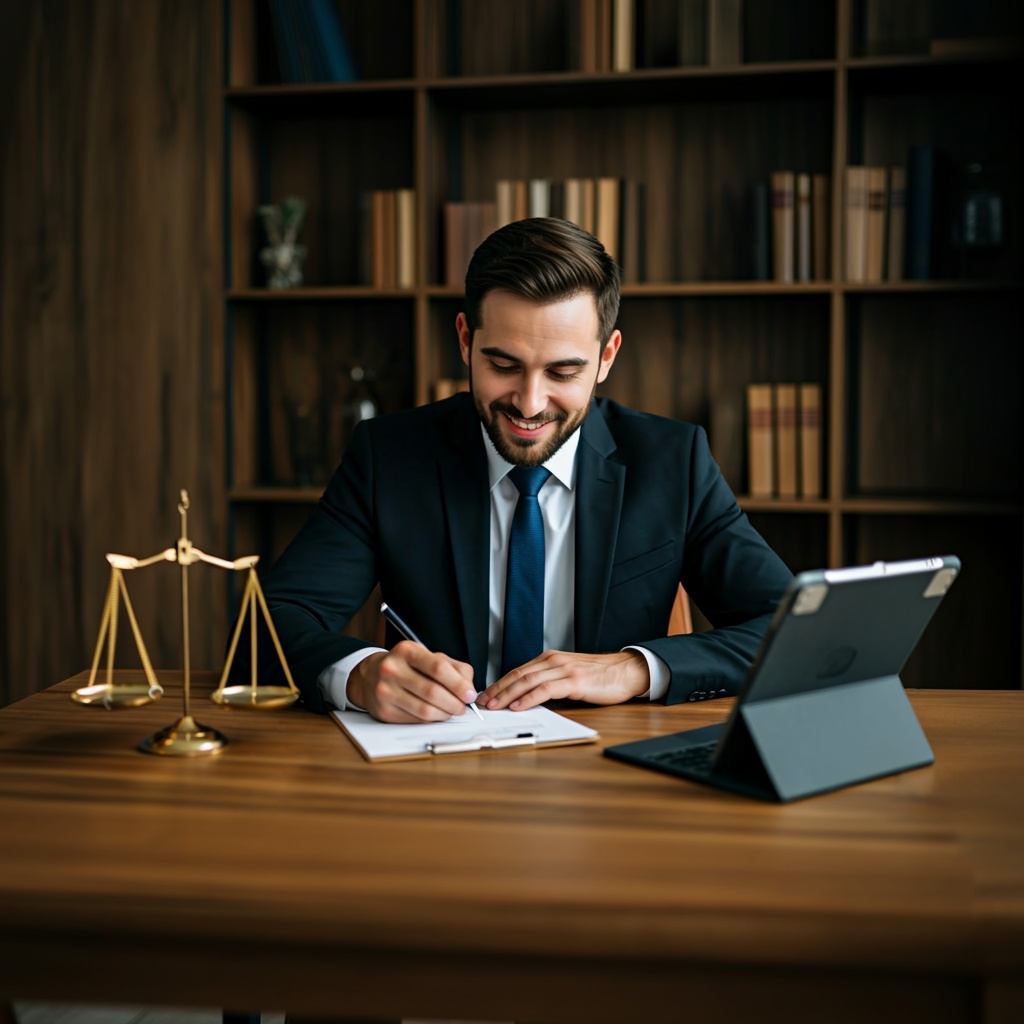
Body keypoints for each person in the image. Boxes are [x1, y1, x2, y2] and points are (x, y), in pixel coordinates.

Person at [249, 217, 793, 723]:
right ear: (465, 340)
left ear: (606, 356)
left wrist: (633, 668)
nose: (530, 404)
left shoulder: (674, 461)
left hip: (613, 771)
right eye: (503, 365)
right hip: (438, 769)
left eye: (563, 371)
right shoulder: (388, 457)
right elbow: (264, 625)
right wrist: (359, 675)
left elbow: (788, 627)